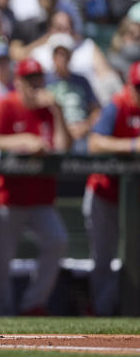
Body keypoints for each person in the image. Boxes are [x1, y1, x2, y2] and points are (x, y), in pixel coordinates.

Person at [0, 58, 71, 315]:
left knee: (58, 241)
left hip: (40, 196)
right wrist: (24, 140)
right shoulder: (5, 105)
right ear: (18, 82)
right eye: (29, 79)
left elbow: (63, 147)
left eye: (38, 79)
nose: (36, 85)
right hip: (3, 196)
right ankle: (1, 315)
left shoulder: (48, 110)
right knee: (1, 263)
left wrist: (58, 112)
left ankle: (33, 304)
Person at [83, 61, 140, 315]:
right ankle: (100, 313)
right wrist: (130, 146)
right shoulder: (117, 105)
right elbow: (94, 143)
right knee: (103, 260)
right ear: (130, 86)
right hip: (104, 193)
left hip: (134, 200)